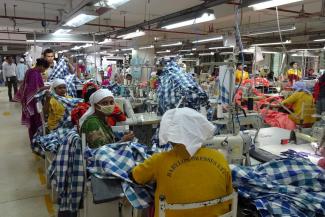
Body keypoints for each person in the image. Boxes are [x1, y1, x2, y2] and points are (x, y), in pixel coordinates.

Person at [131, 107, 233, 217]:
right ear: (198, 130)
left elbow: (135, 177)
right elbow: (229, 194)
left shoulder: (159, 160)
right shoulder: (219, 157)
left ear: (169, 133)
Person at [15, 58, 50, 142]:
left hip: (27, 98)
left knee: (32, 121)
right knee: (35, 121)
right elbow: (36, 89)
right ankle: (35, 140)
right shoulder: (35, 74)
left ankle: (33, 139)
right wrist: (48, 87)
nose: (44, 71)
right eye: (44, 68)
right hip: (32, 101)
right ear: (41, 66)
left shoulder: (29, 71)